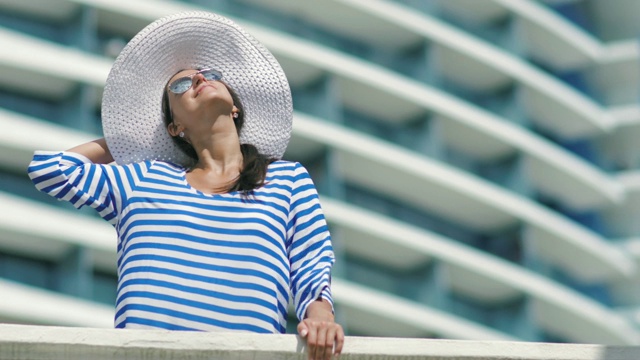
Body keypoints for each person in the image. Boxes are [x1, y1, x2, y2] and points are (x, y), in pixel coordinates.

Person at [27, 11, 343, 360]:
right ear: (174, 126)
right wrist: (124, 141)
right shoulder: (145, 179)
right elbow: (50, 170)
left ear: (235, 107)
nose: (198, 79)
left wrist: (321, 317)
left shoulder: (288, 180)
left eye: (209, 75)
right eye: (180, 84)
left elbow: (311, 262)